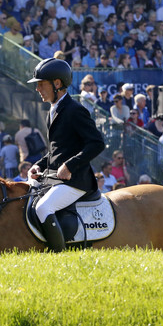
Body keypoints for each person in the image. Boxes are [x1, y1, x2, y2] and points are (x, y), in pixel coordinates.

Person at [26, 58, 105, 252]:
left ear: (57, 84)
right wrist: (39, 165)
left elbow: (97, 143)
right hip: (54, 178)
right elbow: (56, 150)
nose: (38, 89)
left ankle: (59, 256)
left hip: (76, 181)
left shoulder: (75, 110)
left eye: (41, 84)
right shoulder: (53, 111)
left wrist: (70, 165)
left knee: (43, 208)